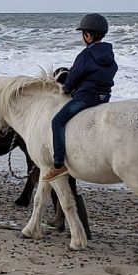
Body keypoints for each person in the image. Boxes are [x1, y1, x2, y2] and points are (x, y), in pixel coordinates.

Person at [43, 13, 117, 182]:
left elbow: (73, 77)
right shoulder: (109, 54)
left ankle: (59, 164)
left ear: (88, 35)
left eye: (83, 33)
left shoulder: (85, 55)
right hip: (104, 97)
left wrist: (67, 88)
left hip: (86, 98)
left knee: (58, 121)